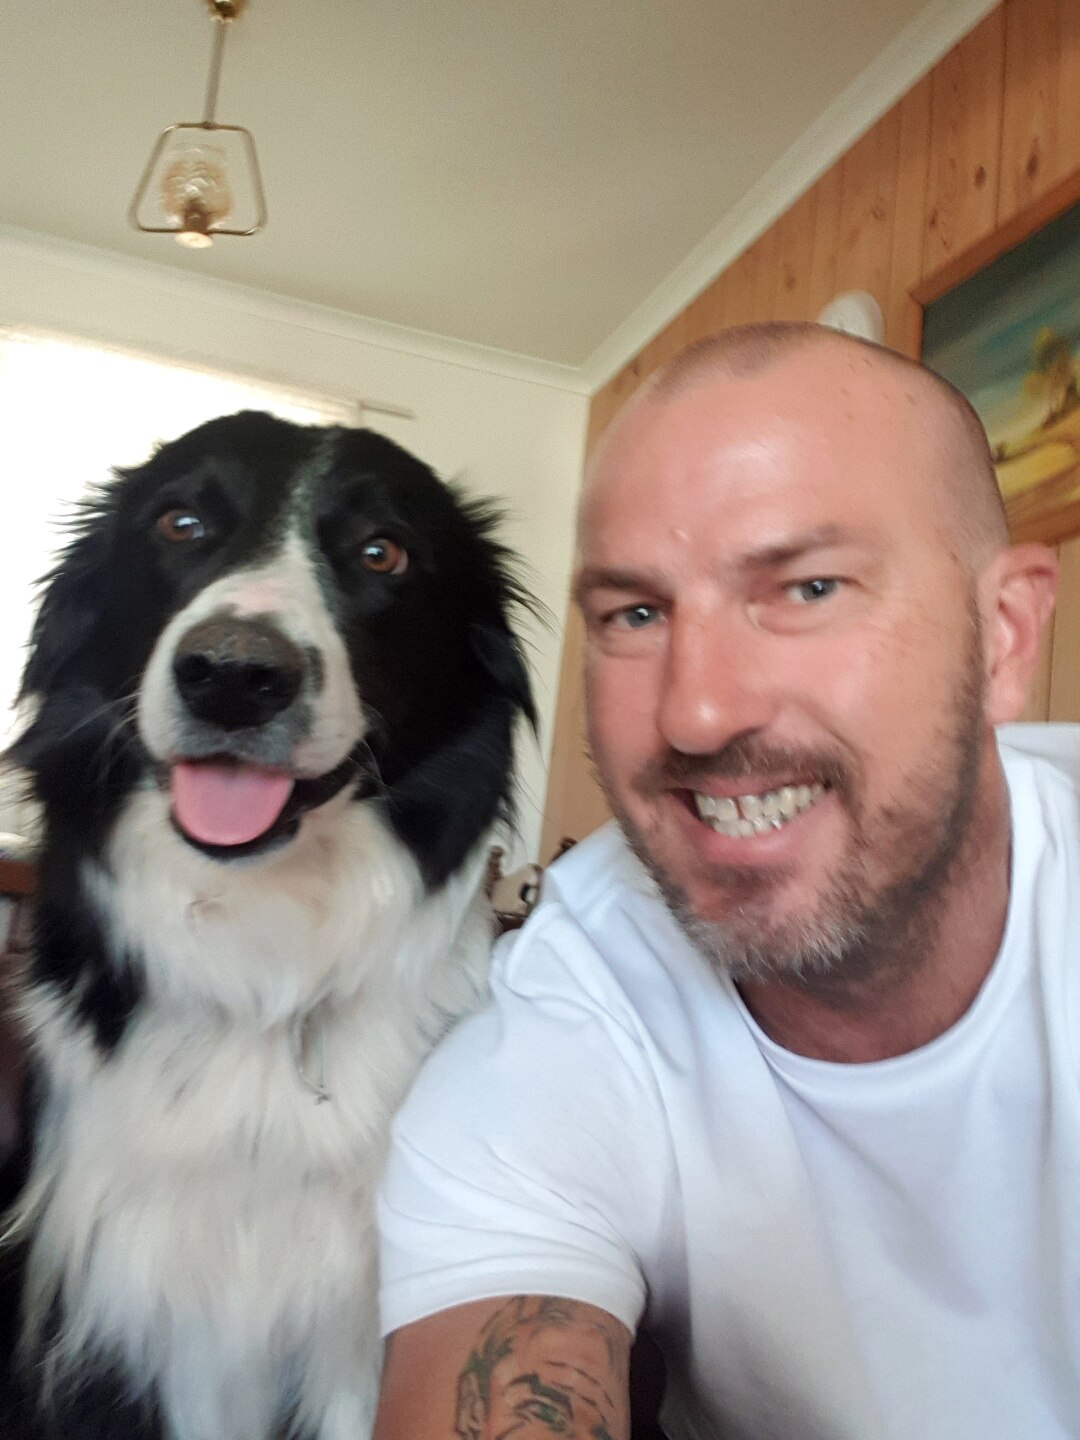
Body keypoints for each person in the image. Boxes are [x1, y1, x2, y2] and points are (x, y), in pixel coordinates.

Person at [372, 323, 1079, 1440]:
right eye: (636, 615)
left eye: (806, 588)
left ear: (1003, 636)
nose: (697, 712)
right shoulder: (574, 1007)